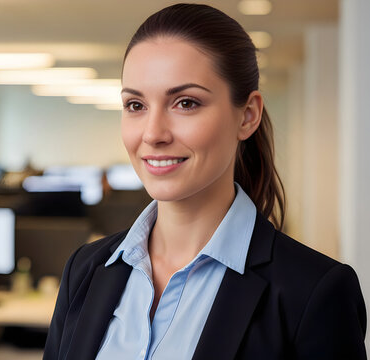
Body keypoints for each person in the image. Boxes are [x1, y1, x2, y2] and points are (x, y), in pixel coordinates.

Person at [44, 4, 366, 360]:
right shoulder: (85, 270)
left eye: (185, 102)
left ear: (247, 116)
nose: (153, 134)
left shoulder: (313, 292)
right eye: (136, 105)